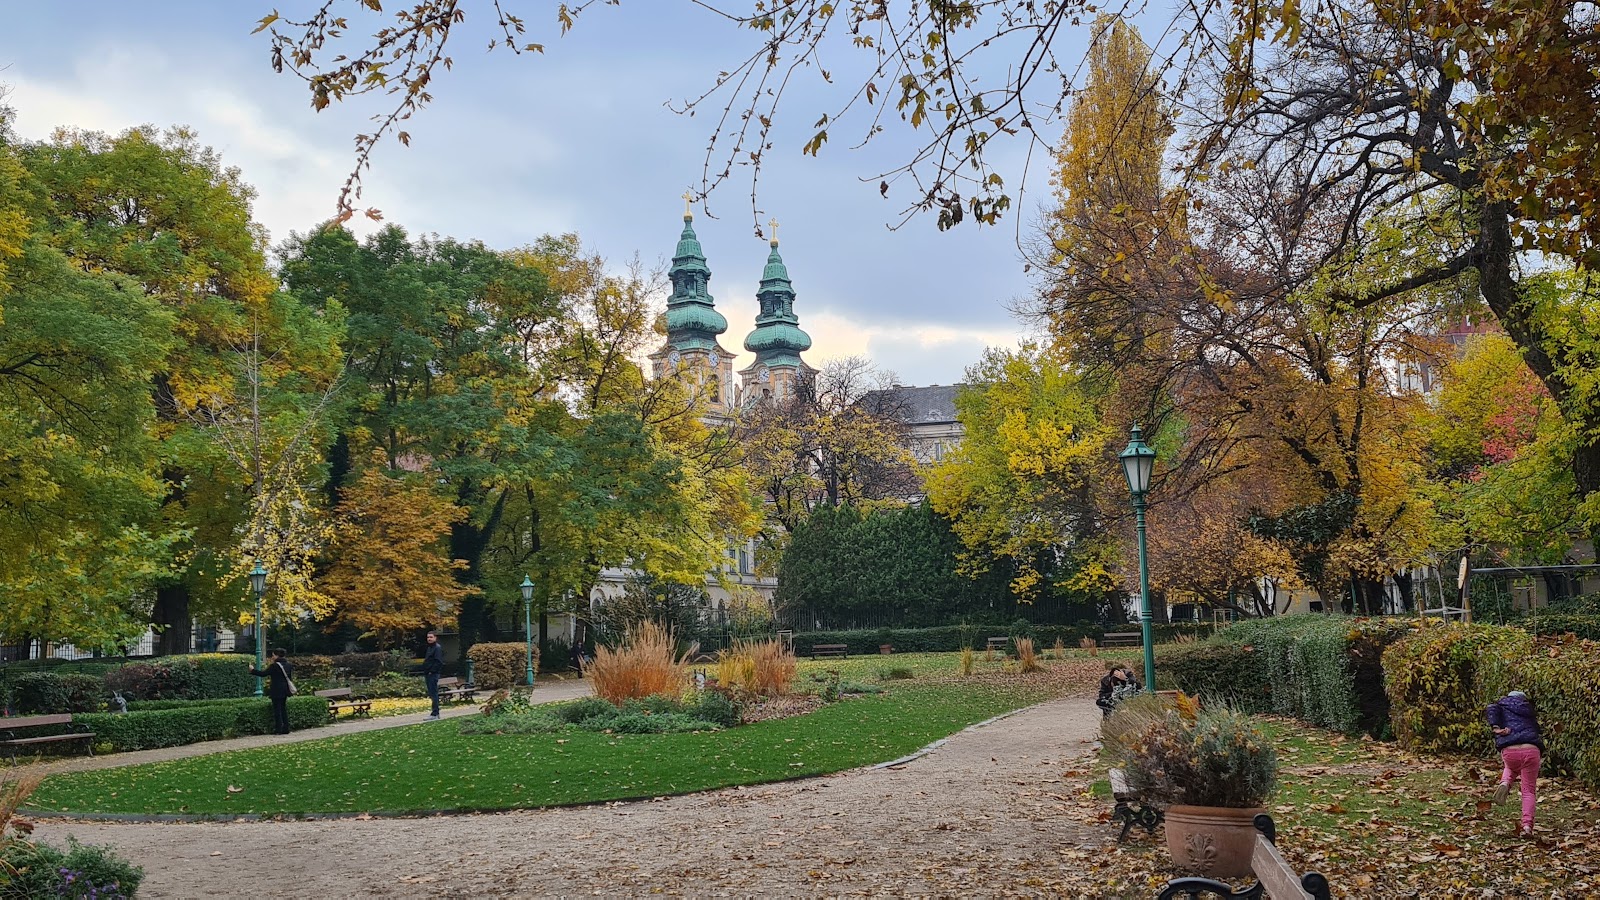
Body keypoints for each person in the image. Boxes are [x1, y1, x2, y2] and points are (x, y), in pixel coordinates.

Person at [1486, 689, 1543, 837]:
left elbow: (1490, 708)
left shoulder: (1501, 706)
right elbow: (1538, 730)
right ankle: (1527, 827)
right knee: (1528, 791)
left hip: (1509, 750)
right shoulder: (1529, 711)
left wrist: (1496, 727)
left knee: (1510, 765)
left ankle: (1505, 782)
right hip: (1531, 750)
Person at [248, 648, 294, 735]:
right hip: (285, 689)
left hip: (276, 689)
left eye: (273, 655)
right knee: (283, 708)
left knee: (277, 709)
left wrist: (252, 670)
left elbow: (263, 674)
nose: (272, 657)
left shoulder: (275, 666)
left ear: (277, 655)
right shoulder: (288, 665)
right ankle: (286, 728)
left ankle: (278, 729)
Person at [423, 631, 444, 720]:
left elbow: (438, 661)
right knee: (432, 693)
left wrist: (432, 671)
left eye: (431, 637)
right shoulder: (430, 648)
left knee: (434, 693)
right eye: (428, 637)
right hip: (428, 673)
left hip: (433, 674)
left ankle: (435, 713)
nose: (429, 639)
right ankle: (435, 713)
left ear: (435, 638)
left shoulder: (437, 648)